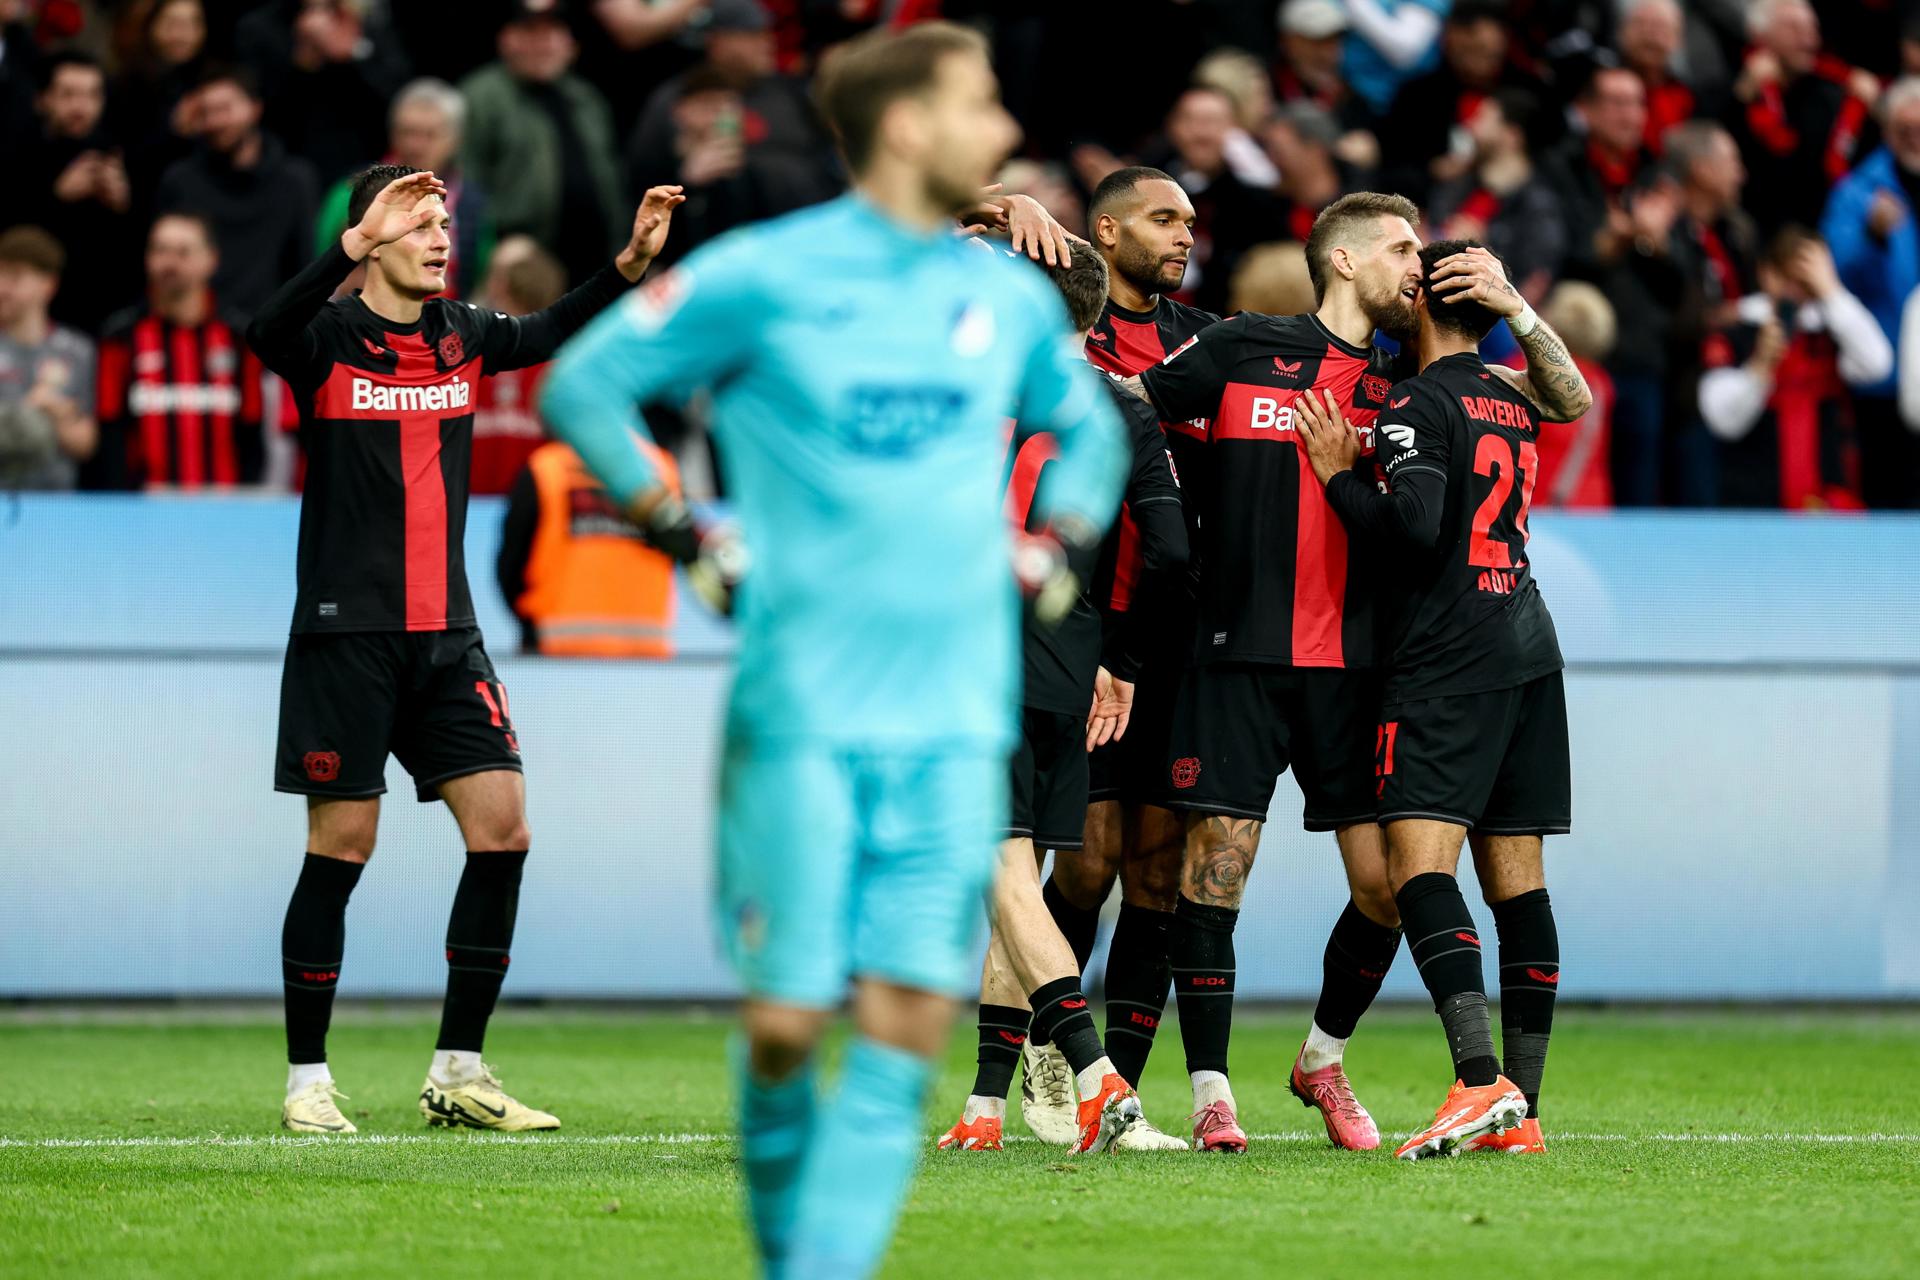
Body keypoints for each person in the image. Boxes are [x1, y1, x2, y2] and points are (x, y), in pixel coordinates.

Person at [537, 23, 1124, 1277]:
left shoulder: (1007, 297)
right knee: (792, 1021)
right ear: (909, 126)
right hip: (799, 712)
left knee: (910, 1016)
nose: (1008, 131)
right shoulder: (762, 275)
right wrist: (681, 523)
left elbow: (1094, 429)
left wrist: (1056, 544)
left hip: (957, 716)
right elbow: (582, 382)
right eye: (981, 104)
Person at [1112, 194, 1591, 1154]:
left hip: (1361, 667)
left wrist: (1516, 310)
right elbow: (1128, 403)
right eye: (1404, 247)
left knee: (1385, 887)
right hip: (1239, 654)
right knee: (1215, 871)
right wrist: (1165, 505)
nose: (1421, 264)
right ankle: (1212, 1097)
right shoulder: (1244, 346)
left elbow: (1563, 400)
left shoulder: (1407, 384)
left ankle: (1323, 1059)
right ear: (1342, 260)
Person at [245, 165, 686, 1136]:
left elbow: (549, 333)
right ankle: (307, 1080)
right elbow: (263, 331)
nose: (441, 237)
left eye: (445, 221)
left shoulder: (462, 335)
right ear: (371, 234)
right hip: (346, 635)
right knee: (341, 848)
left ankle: (460, 1069)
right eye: (418, 221)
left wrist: (626, 266)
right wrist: (348, 248)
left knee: (504, 828)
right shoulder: (326, 341)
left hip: (448, 636)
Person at [1292, 236, 1571, 1161]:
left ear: (1418, 305)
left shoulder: (1418, 398)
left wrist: (1337, 475)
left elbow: (1410, 532)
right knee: (1517, 884)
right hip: (1528, 640)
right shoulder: (1510, 394)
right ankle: (1518, 1109)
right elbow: (1574, 397)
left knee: (1417, 869)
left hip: (1448, 656)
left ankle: (1475, 1081)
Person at [938, 243, 1188, 1157]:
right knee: (1024, 884)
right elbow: (1168, 554)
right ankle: (986, 1108)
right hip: (1067, 658)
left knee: (1004, 878)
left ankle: (1097, 1084)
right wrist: (1117, 658)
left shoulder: (957, 385)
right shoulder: (1124, 406)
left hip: (967, 654)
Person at [1699, 226, 1891, 509]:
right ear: (1767, 273)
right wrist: (1759, 366)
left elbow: (1877, 366)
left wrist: (1831, 291)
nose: (1797, 292)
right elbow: (1721, 421)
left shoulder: (1832, 328)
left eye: (1806, 282)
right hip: (1755, 509)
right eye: (1789, 278)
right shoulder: (1737, 327)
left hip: (1826, 506)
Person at [90, 212, 271, 490]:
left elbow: (252, 431)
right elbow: (110, 434)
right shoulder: (120, 337)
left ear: (211, 260)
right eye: (160, 250)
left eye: (183, 252)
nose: (169, 263)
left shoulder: (240, 338)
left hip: (225, 511)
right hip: (141, 511)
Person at [459, 0, 626, 288]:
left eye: (552, 34)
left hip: (595, 267)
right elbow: (465, 185)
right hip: (519, 269)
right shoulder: (481, 97)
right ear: (507, 40)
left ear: (569, 44)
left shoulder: (586, 99)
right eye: (531, 33)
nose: (543, 44)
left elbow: (613, 181)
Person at [1822, 77, 1920, 508]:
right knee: (1890, 494)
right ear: (1886, 130)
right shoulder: (1858, 193)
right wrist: (1871, 235)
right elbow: (1832, 272)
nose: (1916, 139)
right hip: (1886, 376)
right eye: (1905, 130)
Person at [155, 65, 319, 318]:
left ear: (255, 108)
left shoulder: (294, 180)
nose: (215, 121)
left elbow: (303, 269)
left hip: (268, 332)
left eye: (225, 109)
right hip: (199, 330)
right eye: (206, 112)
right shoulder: (181, 180)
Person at [496, 434, 682, 657]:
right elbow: (685, 552)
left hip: (554, 654)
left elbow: (511, 564)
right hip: (646, 658)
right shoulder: (663, 469)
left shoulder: (545, 468)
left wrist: (529, 627)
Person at [313, 78, 493, 301]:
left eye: (430, 135)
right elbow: (318, 265)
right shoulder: (351, 190)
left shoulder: (471, 203)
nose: (415, 145)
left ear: (455, 140)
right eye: (407, 132)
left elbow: (480, 277)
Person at [1729, 0, 1877, 235]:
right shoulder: (1734, 80)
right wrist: (1741, 98)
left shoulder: (1830, 93)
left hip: (1818, 225)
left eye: (1812, 30)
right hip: (1752, 222)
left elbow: (1826, 165)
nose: (1809, 40)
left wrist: (1872, 112)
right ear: (1759, 34)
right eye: (1794, 29)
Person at [19, 51, 139, 333]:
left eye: (91, 95)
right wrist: (57, 198)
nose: (80, 107)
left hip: (105, 312)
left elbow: (135, 251)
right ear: (43, 99)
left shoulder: (118, 154)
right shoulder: (18, 156)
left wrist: (123, 207)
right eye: (68, 95)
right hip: (36, 312)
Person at [468, 236, 566, 494]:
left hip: (473, 503)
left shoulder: (467, 351)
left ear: (502, 285)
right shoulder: (559, 363)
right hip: (531, 501)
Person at [0, 226, 96, 489]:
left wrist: (56, 415)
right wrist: (27, 411)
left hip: (56, 507)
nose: (3, 287)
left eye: (15, 276)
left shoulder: (77, 351)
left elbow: (86, 444)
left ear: (48, 284)